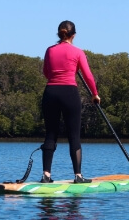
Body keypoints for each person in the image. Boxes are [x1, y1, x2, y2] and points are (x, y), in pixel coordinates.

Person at [41, 20, 100, 184]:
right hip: (69, 93)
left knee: (50, 134)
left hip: (50, 93)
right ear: (73, 35)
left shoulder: (49, 50)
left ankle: (46, 175)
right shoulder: (78, 52)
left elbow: (46, 72)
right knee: (74, 135)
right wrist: (95, 94)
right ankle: (78, 176)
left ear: (59, 34)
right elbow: (88, 75)